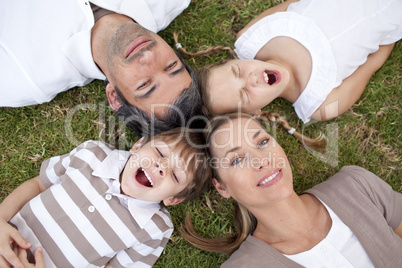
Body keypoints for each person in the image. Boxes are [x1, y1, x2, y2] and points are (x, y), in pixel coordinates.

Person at [180, 113, 402, 267]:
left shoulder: (355, 186)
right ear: (221, 187)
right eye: (237, 160)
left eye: (262, 143)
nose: (261, 161)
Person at [0, 128, 211, 268]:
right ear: (137, 146)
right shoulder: (93, 154)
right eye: (160, 153)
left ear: (173, 199)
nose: (161, 167)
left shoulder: (155, 228)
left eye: (175, 175)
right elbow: (38, 184)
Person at [0, 0, 202, 136]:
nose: (148, 55)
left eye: (144, 84)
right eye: (171, 65)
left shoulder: (23, 79)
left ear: (114, 96)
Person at [177, 0, 402, 122]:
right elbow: (373, 63)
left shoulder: (253, 37)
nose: (251, 78)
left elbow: (294, 3)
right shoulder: (319, 104)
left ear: (232, 61)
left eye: (237, 72)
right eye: (244, 94)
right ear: (253, 114)